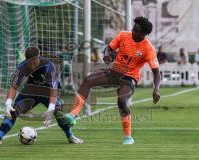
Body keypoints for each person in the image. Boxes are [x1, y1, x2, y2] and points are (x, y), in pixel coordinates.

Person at [59, 17, 161, 145]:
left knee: (122, 101)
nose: (133, 31)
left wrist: (156, 89)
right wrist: (107, 54)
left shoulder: (148, 48)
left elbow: (156, 72)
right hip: (114, 72)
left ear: (144, 34)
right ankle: (73, 115)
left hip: (129, 78)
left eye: (137, 31)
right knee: (88, 80)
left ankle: (128, 136)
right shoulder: (124, 35)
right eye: (133, 28)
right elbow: (109, 48)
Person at [0, 46, 83, 144]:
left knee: (58, 112)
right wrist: (8, 103)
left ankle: (70, 136)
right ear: (26, 60)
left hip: (48, 93)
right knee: (13, 111)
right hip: (30, 92)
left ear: (39, 57)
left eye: (34, 62)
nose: (32, 65)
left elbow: (54, 90)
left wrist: (50, 109)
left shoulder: (49, 66)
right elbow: (13, 87)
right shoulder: (21, 67)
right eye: (30, 62)